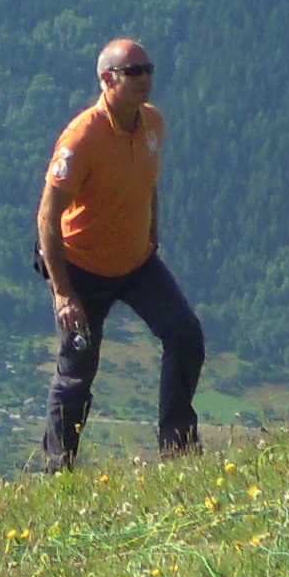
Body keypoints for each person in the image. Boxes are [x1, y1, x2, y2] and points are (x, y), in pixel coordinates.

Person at [34, 36, 204, 467]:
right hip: (82, 268)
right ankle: (59, 468)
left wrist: (151, 237)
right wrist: (63, 293)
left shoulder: (153, 123)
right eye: (134, 72)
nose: (145, 78)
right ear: (107, 80)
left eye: (148, 69)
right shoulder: (82, 137)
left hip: (137, 263)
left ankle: (178, 448)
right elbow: (47, 217)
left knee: (185, 336)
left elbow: (147, 184)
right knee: (77, 371)